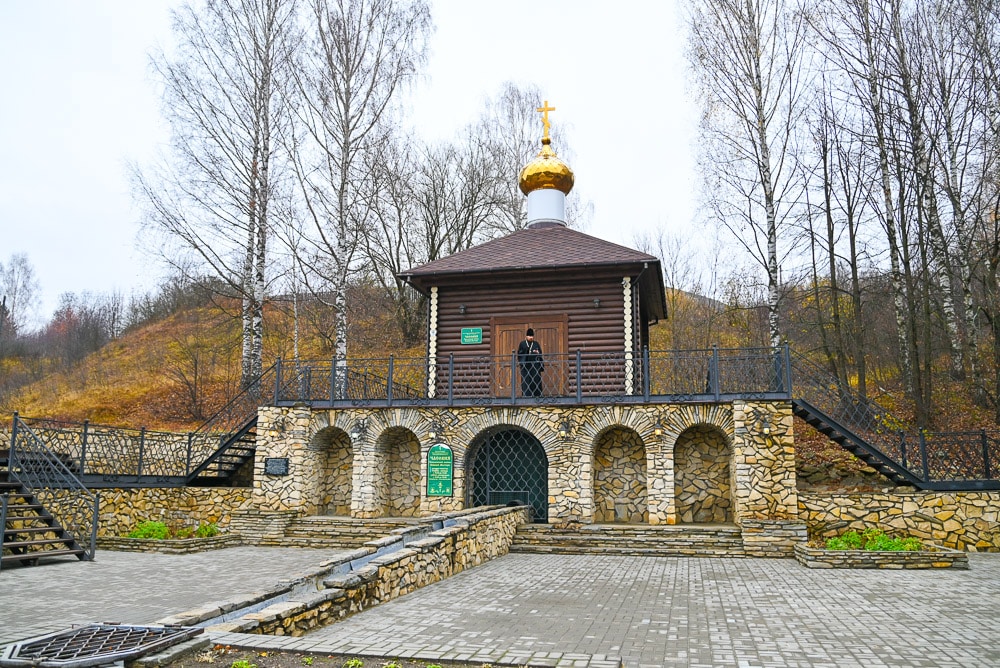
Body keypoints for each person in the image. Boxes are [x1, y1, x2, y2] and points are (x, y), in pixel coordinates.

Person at [517, 328, 544, 397]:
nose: (531, 338)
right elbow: (520, 354)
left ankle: (537, 395)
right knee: (526, 381)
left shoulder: (536, 344)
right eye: (529, 336)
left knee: (536, 380)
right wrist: (527, 350)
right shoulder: (522, 343)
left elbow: (540, 353)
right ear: (526, 336)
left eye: (532, 336)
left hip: (535, 365)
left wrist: (537, 353)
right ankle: (526, 396)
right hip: (526, 365)